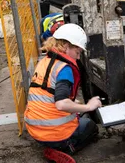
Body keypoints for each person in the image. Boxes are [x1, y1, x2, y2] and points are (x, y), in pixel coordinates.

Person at [24, 23, 102, 162]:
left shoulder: (44, 61)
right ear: (66, 46)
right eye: (78, 52)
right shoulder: (65, 69)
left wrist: (72, 102)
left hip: (35, 130)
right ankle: (66, 148)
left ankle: (54, 144)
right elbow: (60, 104)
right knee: (91, 127)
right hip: (54, 134)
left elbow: (48, 93)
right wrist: (88, 106)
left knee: (77, 112)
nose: (78, 58)